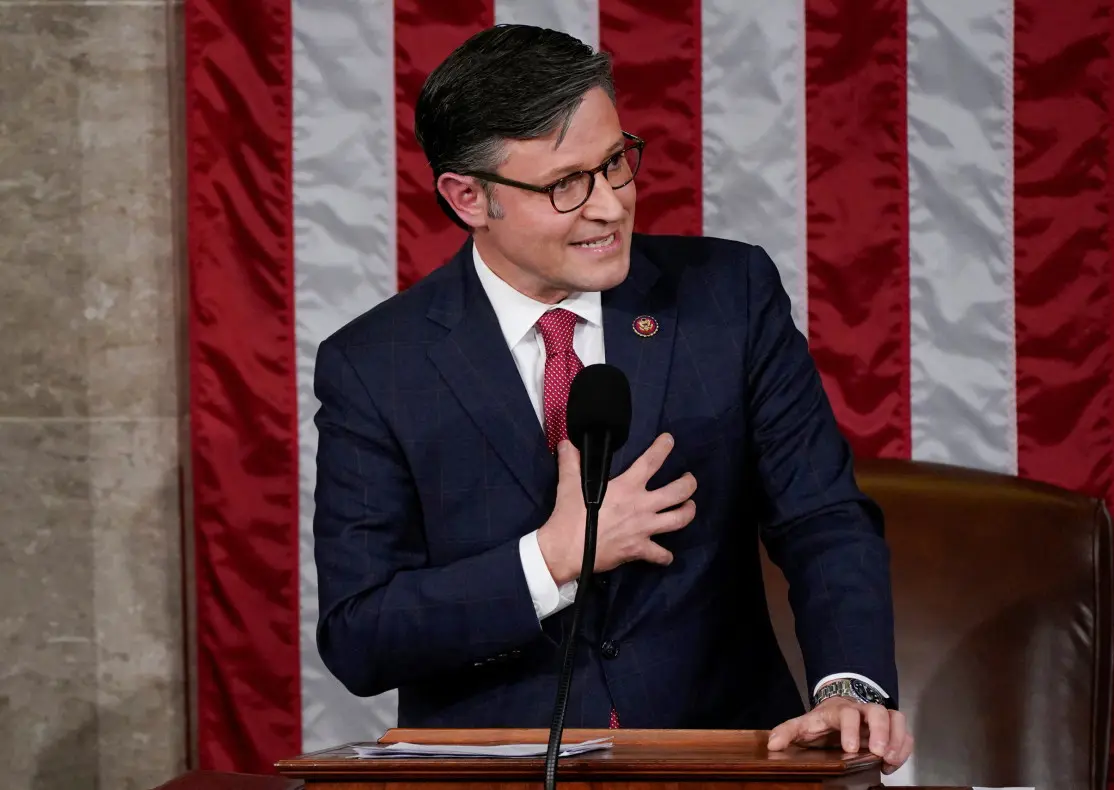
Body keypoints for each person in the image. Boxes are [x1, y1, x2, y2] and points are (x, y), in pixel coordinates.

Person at [312, 23, 913, 774]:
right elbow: (360, 635)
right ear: (469, 197)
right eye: (566, 184)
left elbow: (823, 518)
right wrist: (552, 558)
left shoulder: (729, 300)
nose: (608, 206)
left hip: (719, 761)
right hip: (499, 773)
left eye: (615, 164)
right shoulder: (377, 366)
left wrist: (850, 685)